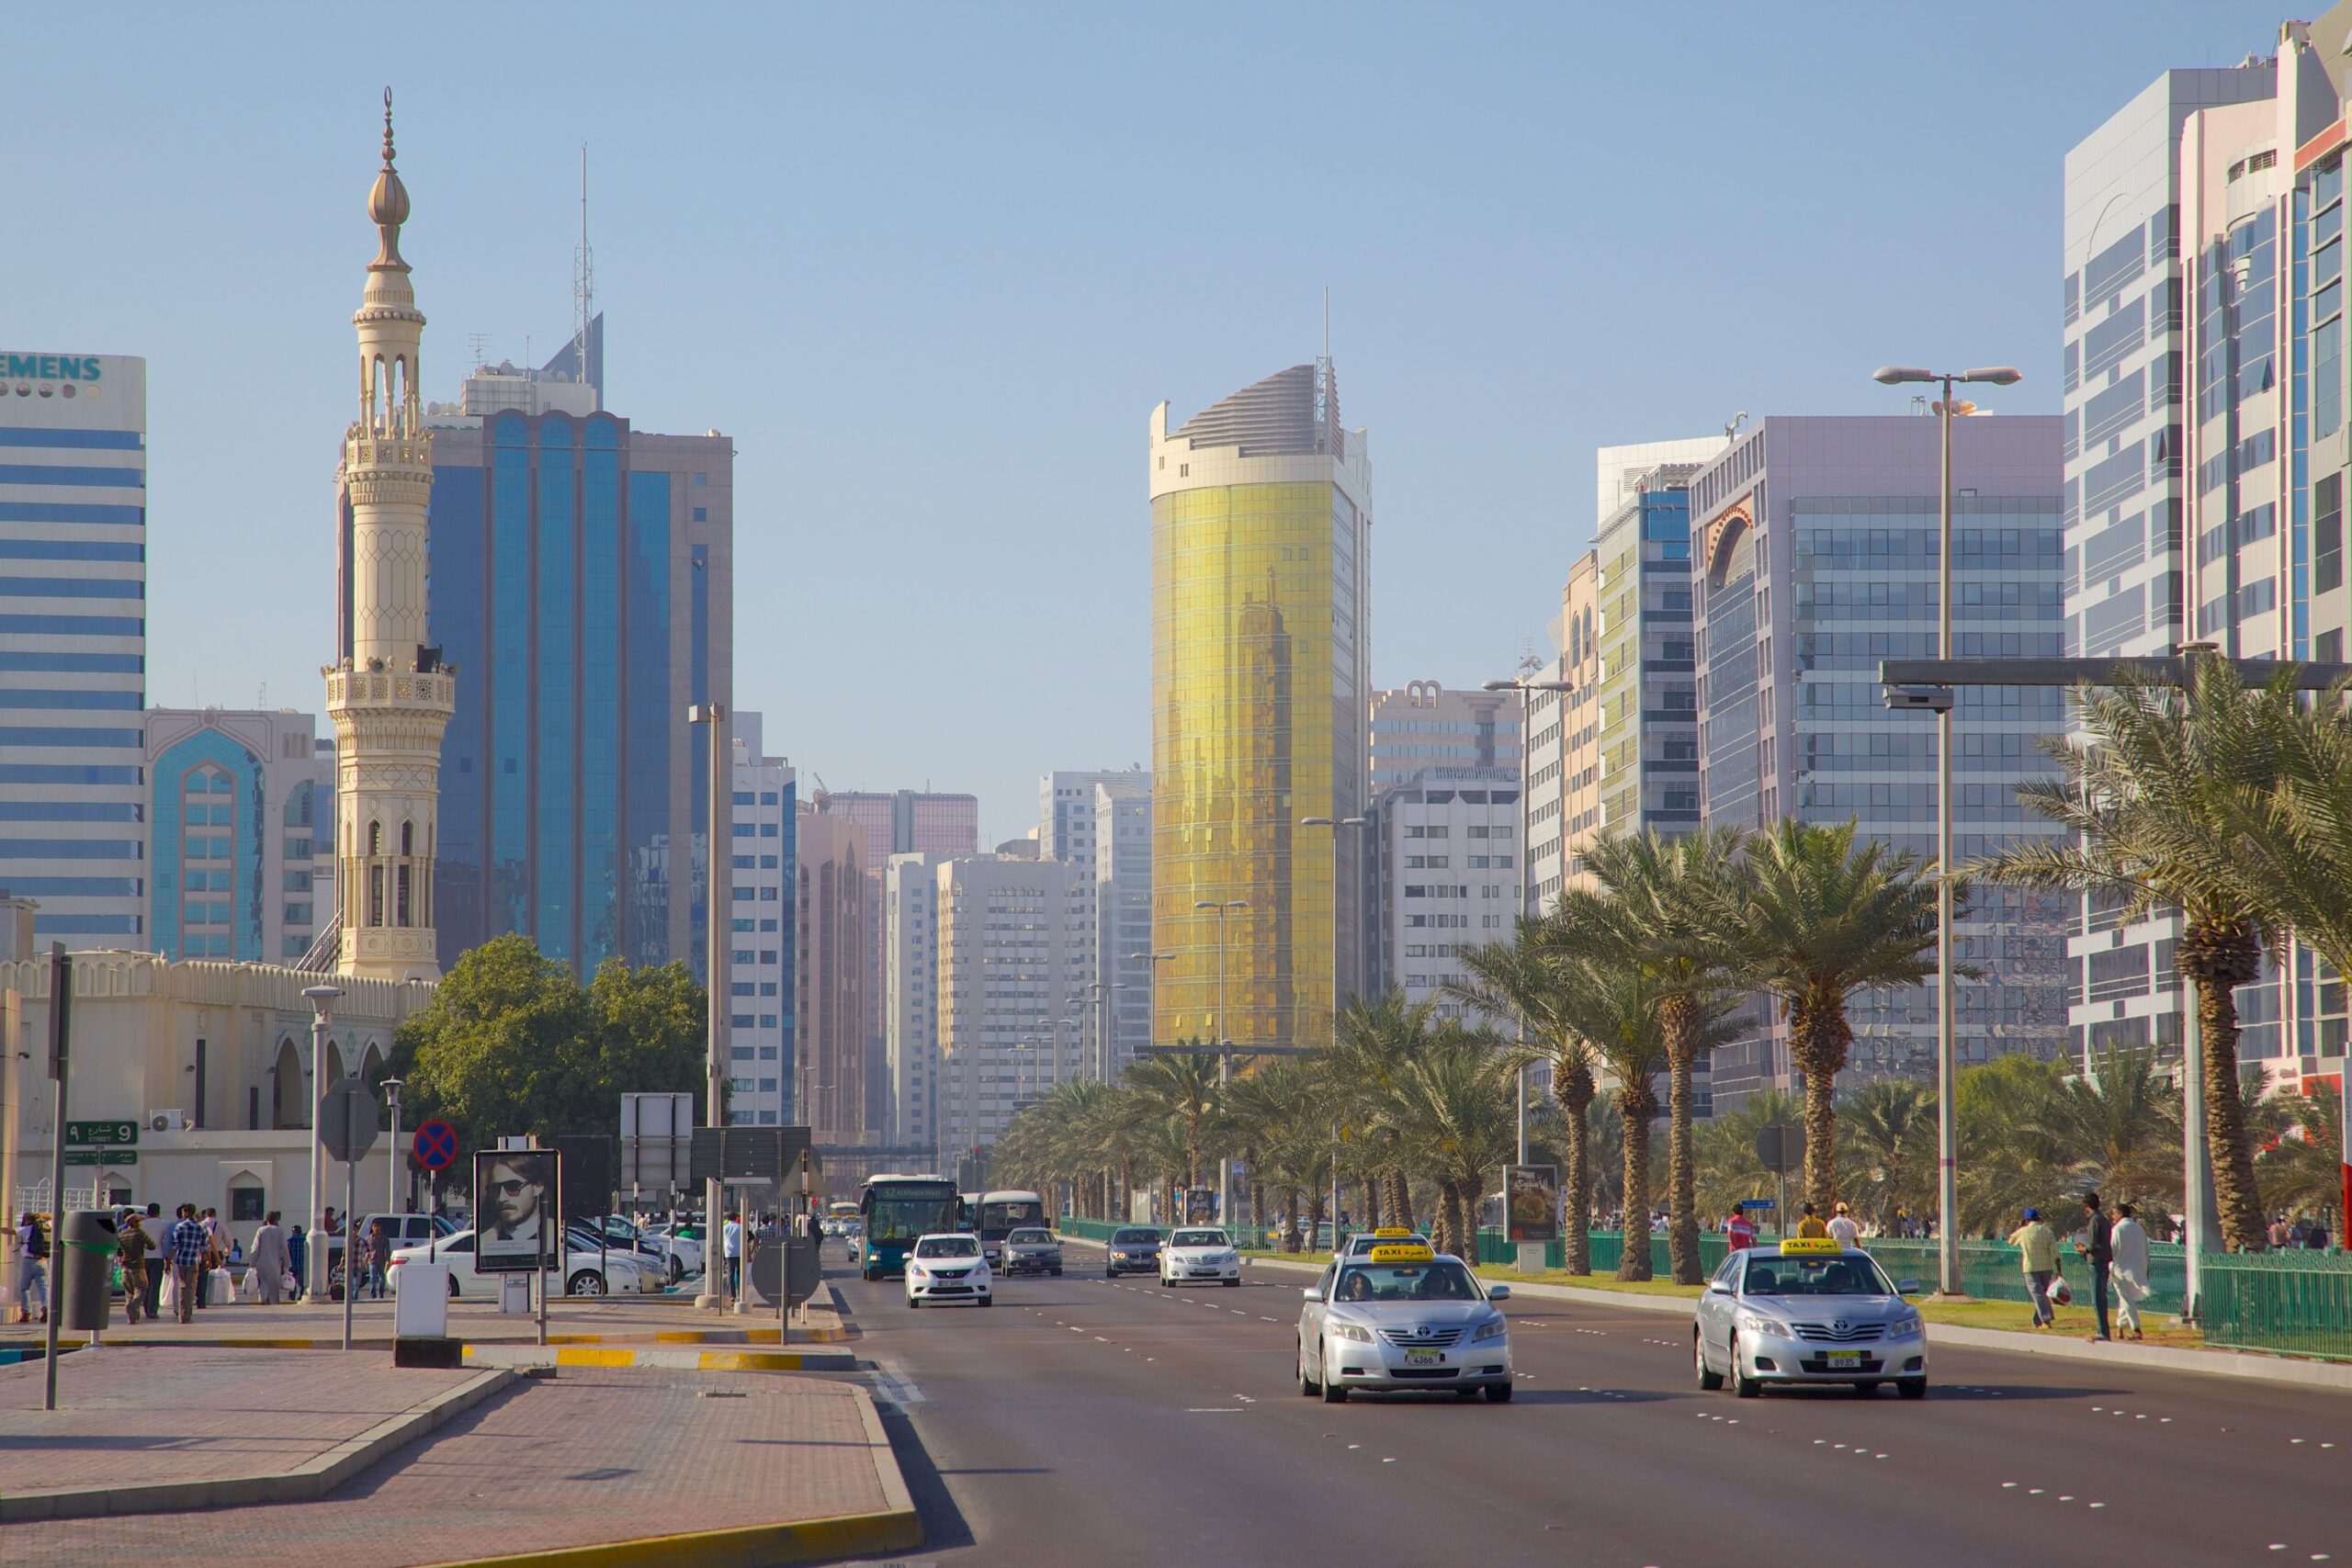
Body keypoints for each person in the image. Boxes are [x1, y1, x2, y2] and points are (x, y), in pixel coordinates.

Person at [2007, 1207, 2060, 1327]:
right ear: (2038, 1218)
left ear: (2026, 1220)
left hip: (2030, 1268)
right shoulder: (2047, 1231)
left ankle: (2046, 1319)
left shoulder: (2023, 1232)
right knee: (2041, 1294)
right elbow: (2055, 1251)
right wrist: (2059, 1268)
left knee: (2038, 1294)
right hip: (2047, 1267)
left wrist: (2019, 1227)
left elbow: (2011, 1241)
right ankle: (2037, 1321)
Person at [2109, 1201, 2150, 1342]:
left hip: (2121, 1271)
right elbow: (2146, 1250)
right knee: (2125, 1300)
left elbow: (2112, 1250)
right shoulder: (2139, 1228)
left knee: (2126, 1300)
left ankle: (2136, 1329)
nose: (2112, 1217)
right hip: (2138, 1269)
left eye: (2114, 1214)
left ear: (2120, 1214)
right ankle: (2119, 1328)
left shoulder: (2118, 1229)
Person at [2077, 1191, 2114, 1342]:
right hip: (2103, 1260)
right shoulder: (2103, 1219)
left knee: (2097, 1298)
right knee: (2101, 1297)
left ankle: (2103, 1331)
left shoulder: (2094, 1221)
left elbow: (2091, 1245)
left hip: (2097, 1261)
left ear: (2086, 1206)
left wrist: (2082, 1249)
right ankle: (2103, 1330)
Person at [165, 1204, 208, 1325]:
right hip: (194, 1261)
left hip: (181, 1261)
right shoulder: (201, 1227)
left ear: (186, 1212)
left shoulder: (180, 1226)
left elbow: (175, 1246)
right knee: (191, 1288)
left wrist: (168, 1262)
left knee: (182, 1287)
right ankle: (188, 1314)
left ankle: (182, 1315)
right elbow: (204, 1246)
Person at [117, 1205, 153, 1324]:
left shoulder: (121, 1235)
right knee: (141, 1290)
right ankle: (133, 1306)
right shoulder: (140, 1233)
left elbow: (118, 1251)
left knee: (129, 1293)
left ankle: (132, 1318)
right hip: (138, 1266)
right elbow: (152, 1245)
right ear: (136, 1223)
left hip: (125, 1267)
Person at [13, 1212, 48, 1325]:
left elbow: (12, 1231)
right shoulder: (46, 1226)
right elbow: (51, 1216)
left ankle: (26, 1313)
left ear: (27, 1220)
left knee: (25, 1288)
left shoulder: (28, 1229)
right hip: (42, 1261)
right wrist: (40, 1215)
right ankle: (46, 1308)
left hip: (28, 1262)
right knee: (43, 1287)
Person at [249, 1212, 290, 1305]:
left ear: (266, 1220)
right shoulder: (280, 1231)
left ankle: (263, 1300)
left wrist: (252, 1262)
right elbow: (284, 1247)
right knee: (274, 1286)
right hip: (275, 1263)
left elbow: (255, 1247)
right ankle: (273, 1303)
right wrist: (287, 1263)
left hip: (261, 1262)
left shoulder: (261, 1230)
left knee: (263, 1283)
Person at [365, 1220, 391, 1300]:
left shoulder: (384, 1238)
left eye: (378, 1226)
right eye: (375, 1226)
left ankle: (381, 1294)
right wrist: (366, 1260)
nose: (377, 1228)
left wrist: (388, 1260)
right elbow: (366, 1250)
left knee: (382, 1279)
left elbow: (387, 1250)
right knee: (372, 1278)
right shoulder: (368, 1238)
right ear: (372, 1227)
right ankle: (372, 1295)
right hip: (372, 1261)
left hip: (382, 1261)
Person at [723, 1212, 743, 1297]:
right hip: (740, 1252)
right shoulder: (740, 1227)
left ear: (727, 1219)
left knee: (730, 1274)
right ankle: (740, 1293)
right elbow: (746, 1239)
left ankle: (732, 1295)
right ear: (736, 1218)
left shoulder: (725, 1228)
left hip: (729, 1253)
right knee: (740, 1274)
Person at [288, 1224, 308, 1301]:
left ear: (293, 1232)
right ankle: (300, 1296)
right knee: (302, 1283)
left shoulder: (289, 1241)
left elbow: (287, 1253)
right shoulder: (305, 1240)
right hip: (302, 1265)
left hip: (292, 1265)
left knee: (292, 1284)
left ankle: (292, 1297)